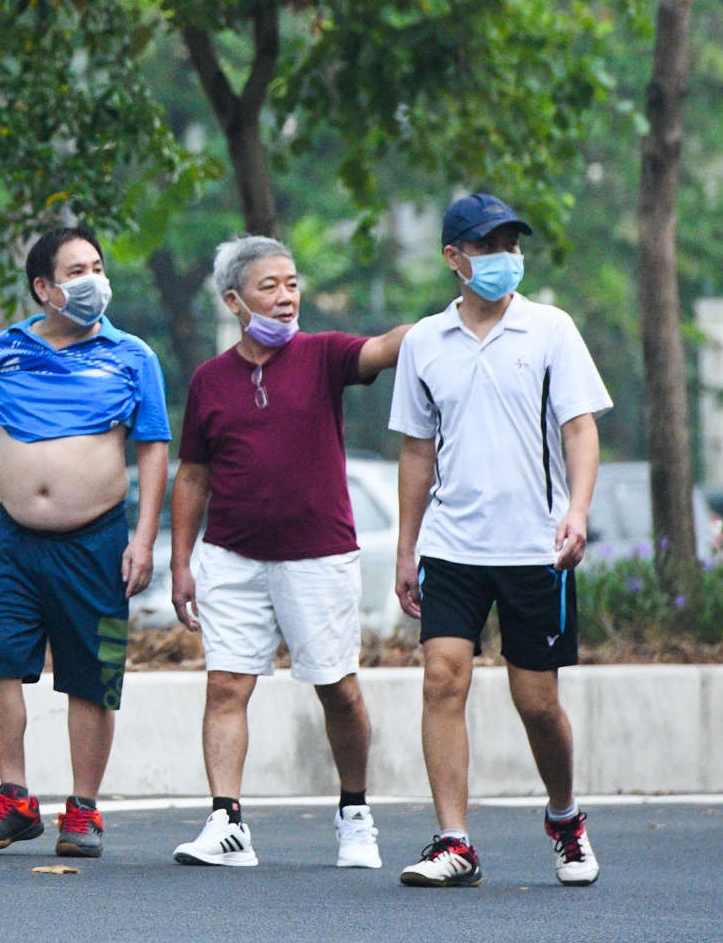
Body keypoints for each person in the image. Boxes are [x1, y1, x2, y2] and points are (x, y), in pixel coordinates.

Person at [388, 193, 610, 888]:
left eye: (512, 244)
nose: (504, 258)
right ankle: (454, 842)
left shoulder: (550, 331)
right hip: (453, 545)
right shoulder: (426, 341)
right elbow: (417, 451)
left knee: (536, 702)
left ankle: (565, 817)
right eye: (488, 247)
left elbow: (580, 428)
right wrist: (407, 547)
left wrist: (576, 512)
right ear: (455, 259)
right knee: (442, 678)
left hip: (535, 549)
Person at [167, 236, 410, 870]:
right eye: (268, 287)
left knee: (338, 690)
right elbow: (192, 474)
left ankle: (355, 813)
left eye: (292, 283)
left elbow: (384, 348)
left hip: (318, 555)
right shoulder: (209, 381)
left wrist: (452, 318)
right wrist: (180, 561)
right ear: (234, 300)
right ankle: (227, 822)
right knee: (225, 687)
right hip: (232, 558)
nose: (285, 297)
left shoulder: (325, 355)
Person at [0, 227, 170, 859]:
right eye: (76, 271)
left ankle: (83, 810)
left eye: (97, 266)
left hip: (96, 542)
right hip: (13, 541)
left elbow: (153, 447)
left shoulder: (133, 356)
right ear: (44, 288)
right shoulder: (1, 351)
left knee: (92, 677)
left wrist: (144, 537)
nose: (93, 280)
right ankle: (14, 799)